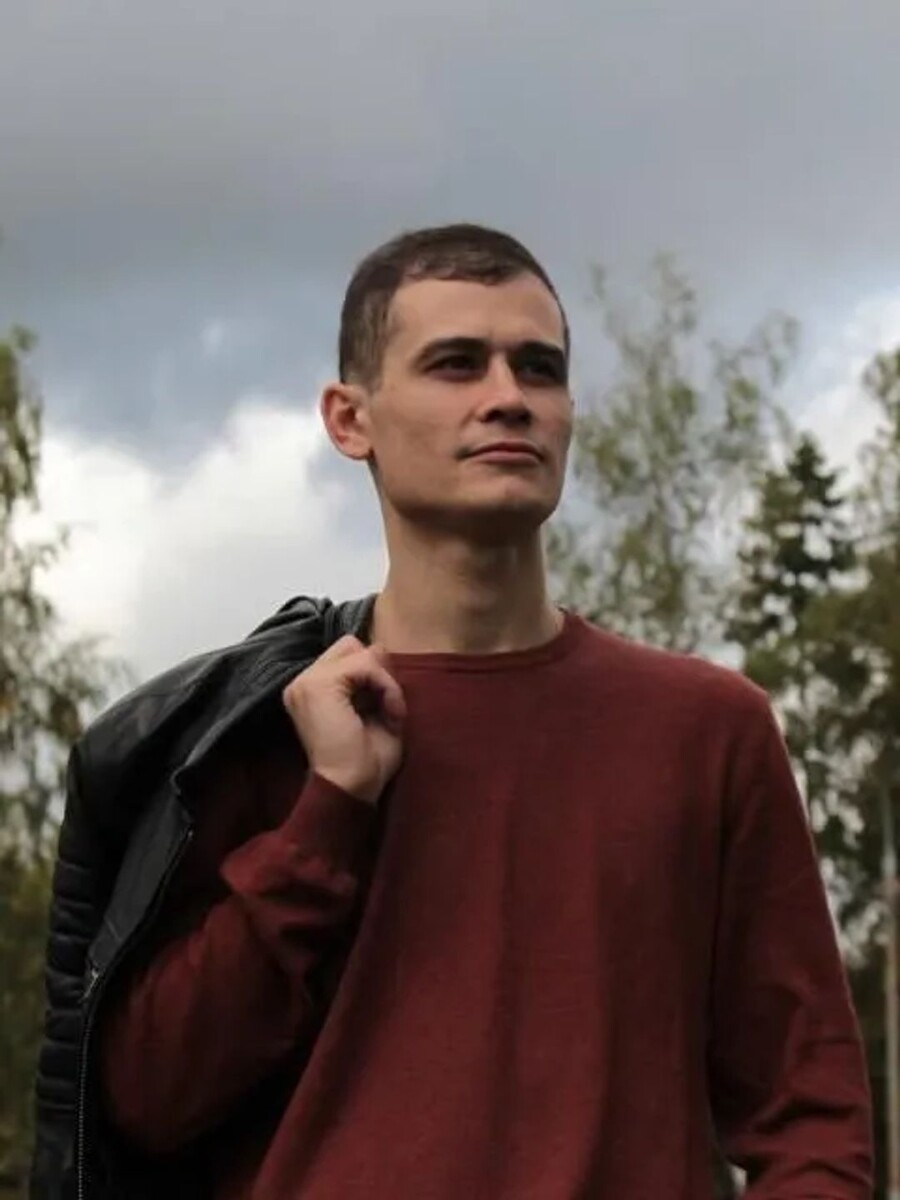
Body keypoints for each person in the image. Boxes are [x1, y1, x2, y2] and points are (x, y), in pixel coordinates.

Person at [32, 224, 873, 1200]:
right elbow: (143, 1101)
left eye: (540, 368)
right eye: (456, 364)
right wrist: (326, 818)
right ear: (350, 419)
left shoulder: (707, 731)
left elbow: (810, 1116)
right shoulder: (250, 736)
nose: (509, 396)